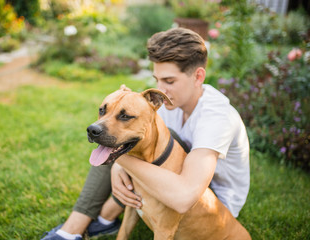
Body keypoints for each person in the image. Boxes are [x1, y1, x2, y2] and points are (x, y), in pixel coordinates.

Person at [41, 27, 250, 240]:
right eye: (157, 79)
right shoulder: (171, 103)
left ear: (198, 77)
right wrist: (116, 161)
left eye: (169, 81)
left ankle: (104, 217)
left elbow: (184, 198)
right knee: (114, 135)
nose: (161, 88)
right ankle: (85, 225)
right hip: (173, 173)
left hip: (209, 203)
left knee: (120, 140)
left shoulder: (217, 117)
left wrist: (120, 160)